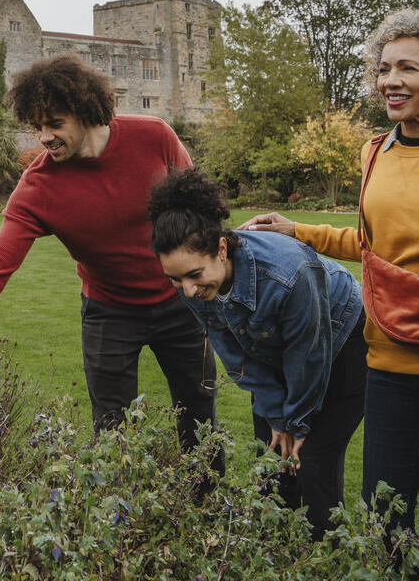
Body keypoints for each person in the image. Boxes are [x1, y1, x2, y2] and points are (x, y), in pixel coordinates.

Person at [0, 55, 218, 454]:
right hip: (109, 313)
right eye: (37, 127)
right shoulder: (39, 187)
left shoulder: (154, 136)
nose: (44, 137)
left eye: (55, 124)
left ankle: (209, 507)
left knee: (200, 419)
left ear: (86, 112)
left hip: (180, 304)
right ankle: (120, 513)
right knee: (112, 433)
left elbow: (200, 213)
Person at [241, 8, 419, 532]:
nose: (391, 81)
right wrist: (300, 232)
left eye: (408, 68)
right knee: (387, 518)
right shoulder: (377, 152)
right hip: (387, 362)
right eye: (384, 68)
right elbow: (371, 245)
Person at [147, 167, 365, 539]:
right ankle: (277, 555)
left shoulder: (289, 272)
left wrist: (295, 422)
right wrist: (275, 415)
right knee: (272, 463)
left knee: (311, 464)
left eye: (194, 275)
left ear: (220, 248)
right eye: (174, 279)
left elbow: (307, 354)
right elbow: (234, 355)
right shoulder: (196, 286)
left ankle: (325, 555)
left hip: (342, 342)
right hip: (277, 351)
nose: (186, 290)